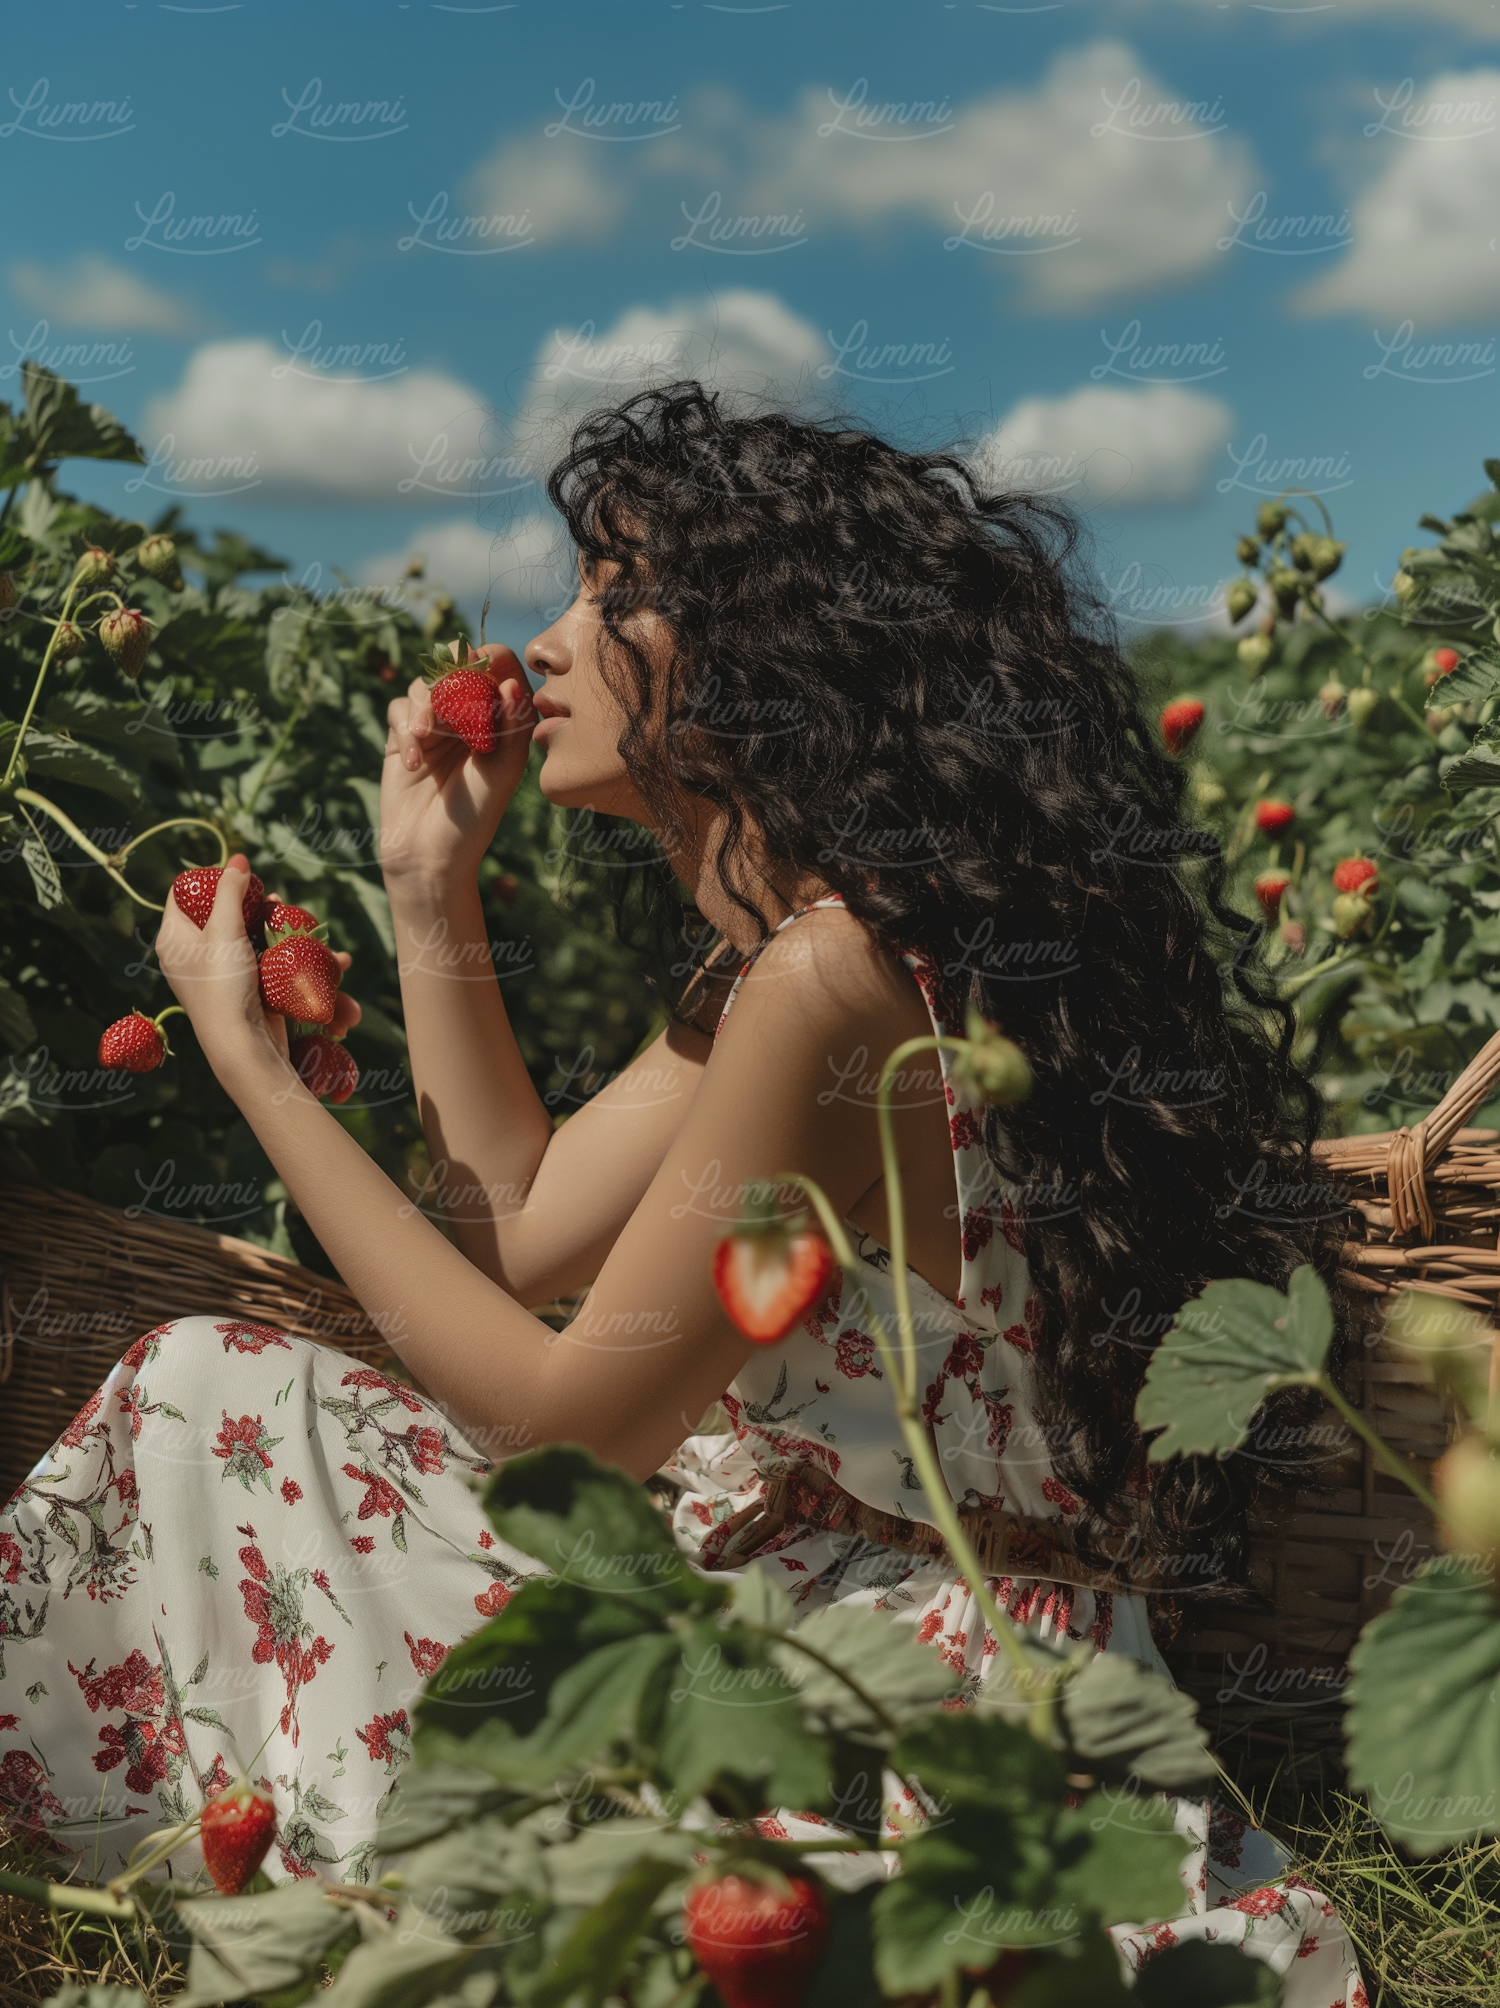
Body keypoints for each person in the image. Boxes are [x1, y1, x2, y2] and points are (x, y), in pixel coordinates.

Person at [0, 384, 1361, 1999]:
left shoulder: (835, 976)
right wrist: (431, 885)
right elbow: (505, 1226)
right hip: (811, 1591)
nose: (548, 641)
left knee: (196, 1393)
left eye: (623, 591)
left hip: (890, 1693)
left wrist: (255, 1074)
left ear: (778, 659)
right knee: (221, 1385)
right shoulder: (795, 958)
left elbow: (569, 1430)